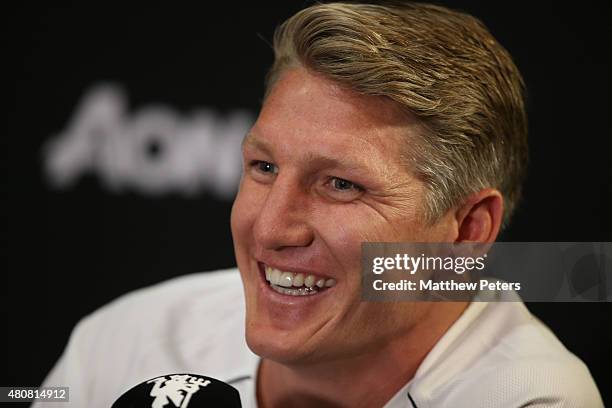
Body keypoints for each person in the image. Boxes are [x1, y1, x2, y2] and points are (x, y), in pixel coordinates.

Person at [35, 2, 603, 407]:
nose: (270, 228)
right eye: (264, 168)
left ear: (467, 231)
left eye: (341, 185)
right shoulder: (127, 342)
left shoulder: (531, 399)